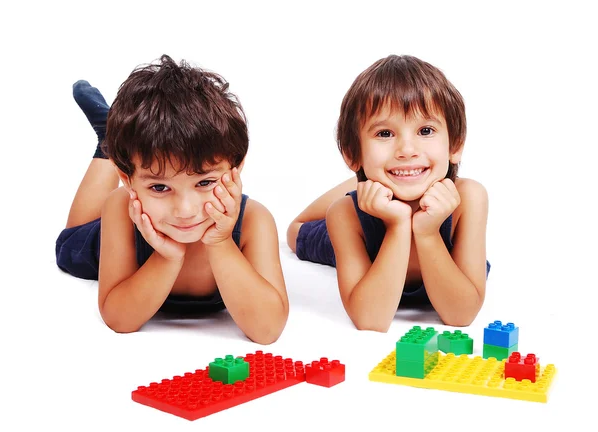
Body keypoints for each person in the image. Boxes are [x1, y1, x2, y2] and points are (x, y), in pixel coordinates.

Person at [56, 55, 289, 344]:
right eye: (159, 188)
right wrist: (167, 257)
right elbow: (119, 319)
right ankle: (109, 145)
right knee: (67, 246)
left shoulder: (254, 221)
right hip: (119, 236)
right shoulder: (122, 208)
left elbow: (268, 330)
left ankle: (115, 140)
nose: (185, 210)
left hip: (154, 183)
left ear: (236, 168)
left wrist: (221, 242)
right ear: (127, 180)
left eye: (205, 182)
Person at [287, 55, 490, 332]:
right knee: (295, 232)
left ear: (455, 145)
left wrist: (428, 233)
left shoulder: (468, 199)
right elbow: (371, 320)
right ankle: (358, 182)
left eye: (426, 130)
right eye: (384, 134)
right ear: (352, 153)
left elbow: (461, 315)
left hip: (390, 188)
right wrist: (397, 225)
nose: (407, 150)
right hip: (363, 224)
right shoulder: (346, 215)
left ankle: (369, 176)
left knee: (389, 173)